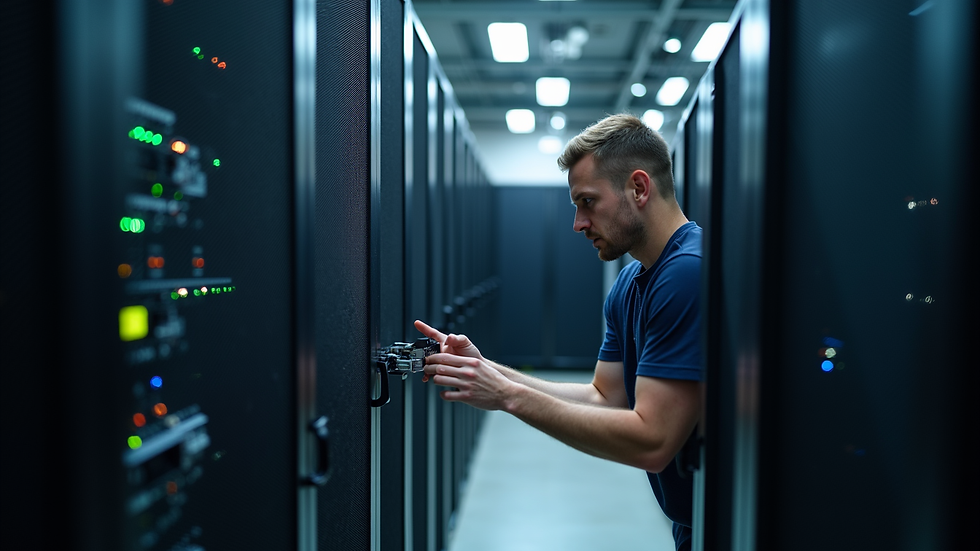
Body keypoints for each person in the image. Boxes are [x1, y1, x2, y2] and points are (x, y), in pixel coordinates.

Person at [416, 113, 702, 550]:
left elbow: (653, 441)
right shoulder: (630, 283)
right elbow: (605, 397)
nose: (578, 223)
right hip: (688, 523)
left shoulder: (686, 274)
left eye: (588, 202)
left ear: (639, 188)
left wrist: (508, 396)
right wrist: (487, 370)